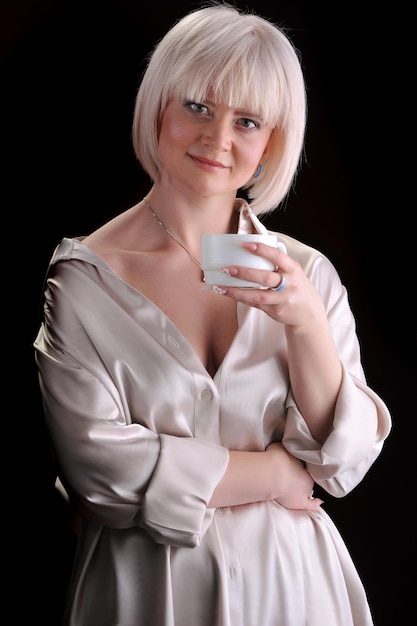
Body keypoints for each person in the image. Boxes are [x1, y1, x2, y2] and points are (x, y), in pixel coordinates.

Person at [33, 2, 392, 625]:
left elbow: (343, 463)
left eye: (247, 120)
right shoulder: (83, 281)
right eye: (198, 106)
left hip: (295, 590)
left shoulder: (308, 276)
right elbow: (101, 476)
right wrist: (275, 476)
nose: (217, 139)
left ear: (272, 141)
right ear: (160, 105)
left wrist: (305, 323)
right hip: (144, 596)